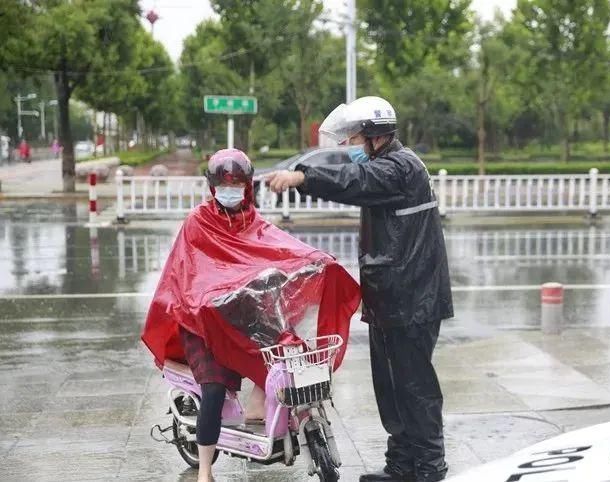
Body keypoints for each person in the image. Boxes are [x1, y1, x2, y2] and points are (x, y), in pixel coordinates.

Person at [142, 148, 360, 482]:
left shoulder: (252, 222)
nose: (231, 190)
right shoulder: (197, 223)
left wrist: (316, 260)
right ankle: (204, 470)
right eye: (224, 184)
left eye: (238, 184)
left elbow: (281, 248)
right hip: (200, 320)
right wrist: (208, 296)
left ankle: (260, 409)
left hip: (240, 315)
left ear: (248, 186)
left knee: (285, 351)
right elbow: (185, 276)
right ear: (213, 186)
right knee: (213, 389)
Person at [266, 96, 454, 482]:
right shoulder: (387, 165)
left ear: (373, 136)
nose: (350, 146)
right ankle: (402, 465)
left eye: (353, 138)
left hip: (412, 298)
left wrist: (304, 177)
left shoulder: (399, 167)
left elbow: (355, 181)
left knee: (414, 386)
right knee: (390, 387)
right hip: (391, 296)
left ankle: (430, 468)